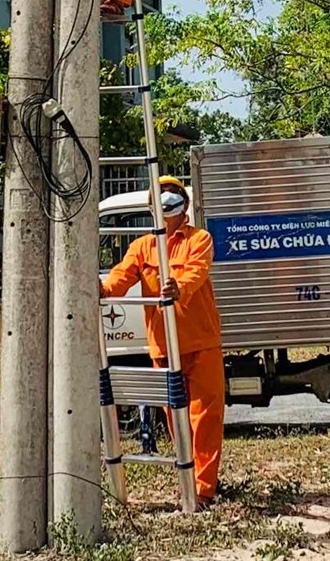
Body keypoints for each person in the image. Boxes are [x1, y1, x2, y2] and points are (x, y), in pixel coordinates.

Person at [100, 175, 224, 508]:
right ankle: (188, 478)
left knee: (205, 418)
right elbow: (120, 276)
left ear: (183, 206)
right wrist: (102, 290)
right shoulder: (142, 247)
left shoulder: (200, 238)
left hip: (202, 342)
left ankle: (204, 489)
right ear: (152, 208)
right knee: (176, 418)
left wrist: (178, 287)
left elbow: (196, 272)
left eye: (174, 196)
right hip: (164, 347)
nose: (168, 202)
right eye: (162, 197)